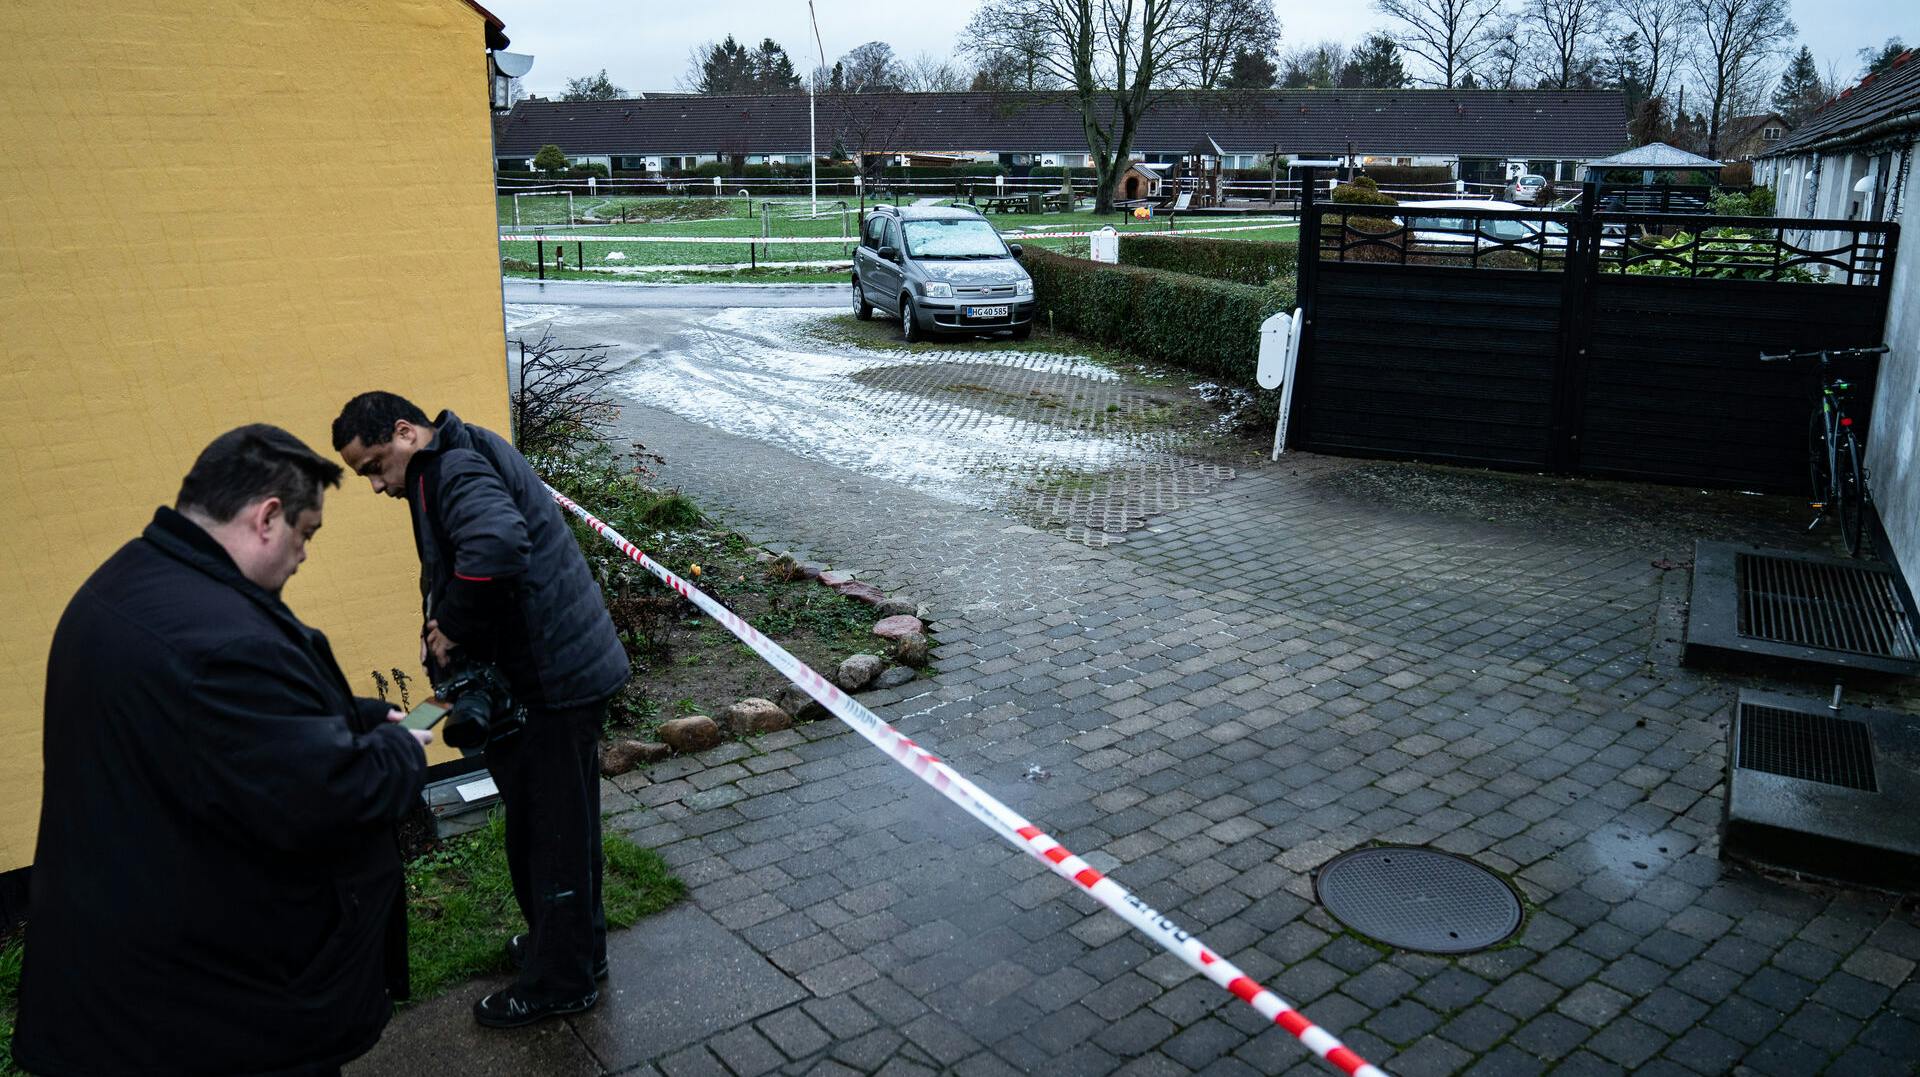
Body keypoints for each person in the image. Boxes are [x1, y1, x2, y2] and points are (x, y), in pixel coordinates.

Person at [12, 424, 431, 1077]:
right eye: (306, 533)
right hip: (214, 1014)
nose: (304, 555)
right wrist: (399, 748)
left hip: (122, 977)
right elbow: (332, 793)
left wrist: (353, 715)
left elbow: (222, 732)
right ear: (267, 517)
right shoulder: (226, 643)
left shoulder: (123, 585)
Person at [331, 392, 628, 1028]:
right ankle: (576, 950)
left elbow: (496, 545)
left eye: (375, 466)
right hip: (562, 674)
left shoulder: (451, 468)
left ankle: (560, 982)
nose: (377, 485)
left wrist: (451, 628)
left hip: (549, 686)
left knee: (545, 840)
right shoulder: (465, 448)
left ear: (405, 432)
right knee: (567, 830)